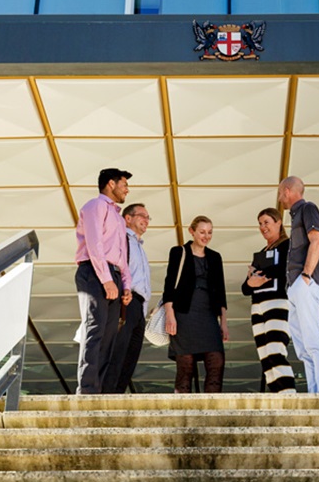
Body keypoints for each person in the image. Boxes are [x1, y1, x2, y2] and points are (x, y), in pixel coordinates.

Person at [73, 168, 132, 395]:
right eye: (124, 184)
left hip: (113, 274)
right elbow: (94, 244)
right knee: (94, 330)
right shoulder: (94, 206)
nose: (127, 189)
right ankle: (86, 390)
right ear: (111, 184)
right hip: (94, 272)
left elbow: (122, 256)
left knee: (108, 337)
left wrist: (125, 285)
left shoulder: (117, 216)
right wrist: (106, 280)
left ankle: (99, 391)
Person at [277, 176, 319, 394]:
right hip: (295, 288)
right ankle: (314, 392)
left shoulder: (308, 209)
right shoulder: (295, 216)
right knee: (302, 348)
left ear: (289, 190)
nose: (280, 197)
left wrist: (306, 276)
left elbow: (316, 241)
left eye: (281, 193)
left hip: (304, 284)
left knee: (313, 342)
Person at [162, 215, 228, 393]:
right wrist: (170, 315)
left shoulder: (215, 257)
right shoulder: (178, 253)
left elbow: (221, 292)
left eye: (209, 233)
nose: (206, 236)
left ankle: (212, 412)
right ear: (192, 232)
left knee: (216, 362)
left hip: (208, 315)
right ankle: (181, 413)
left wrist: (224, 322)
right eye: (202, 232)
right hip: (183, 315)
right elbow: (169, 287)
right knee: (186, 366)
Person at [241, 207, 297, 393]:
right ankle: (277, 396)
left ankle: (289, 396)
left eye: (266, 222)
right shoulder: (261, 253)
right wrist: (253, 280)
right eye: (260, 223)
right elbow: (245, 288)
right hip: (257, 306)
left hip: (277, 302)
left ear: (278, 222)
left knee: (275, 351)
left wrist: (258, 276)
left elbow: (283, 270)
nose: (263, 227)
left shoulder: (287, 245)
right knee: (265, 357)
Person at [103, 202, 151, 393]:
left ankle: (117, 395)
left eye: (148, 217)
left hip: (139, 306)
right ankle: (106, 396)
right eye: (142, 216)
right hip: (125, 301)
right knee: (117, 352)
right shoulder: (122, 239)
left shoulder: (140, 246)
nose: (146, 221)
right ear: (128, 218)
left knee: (130, 357)